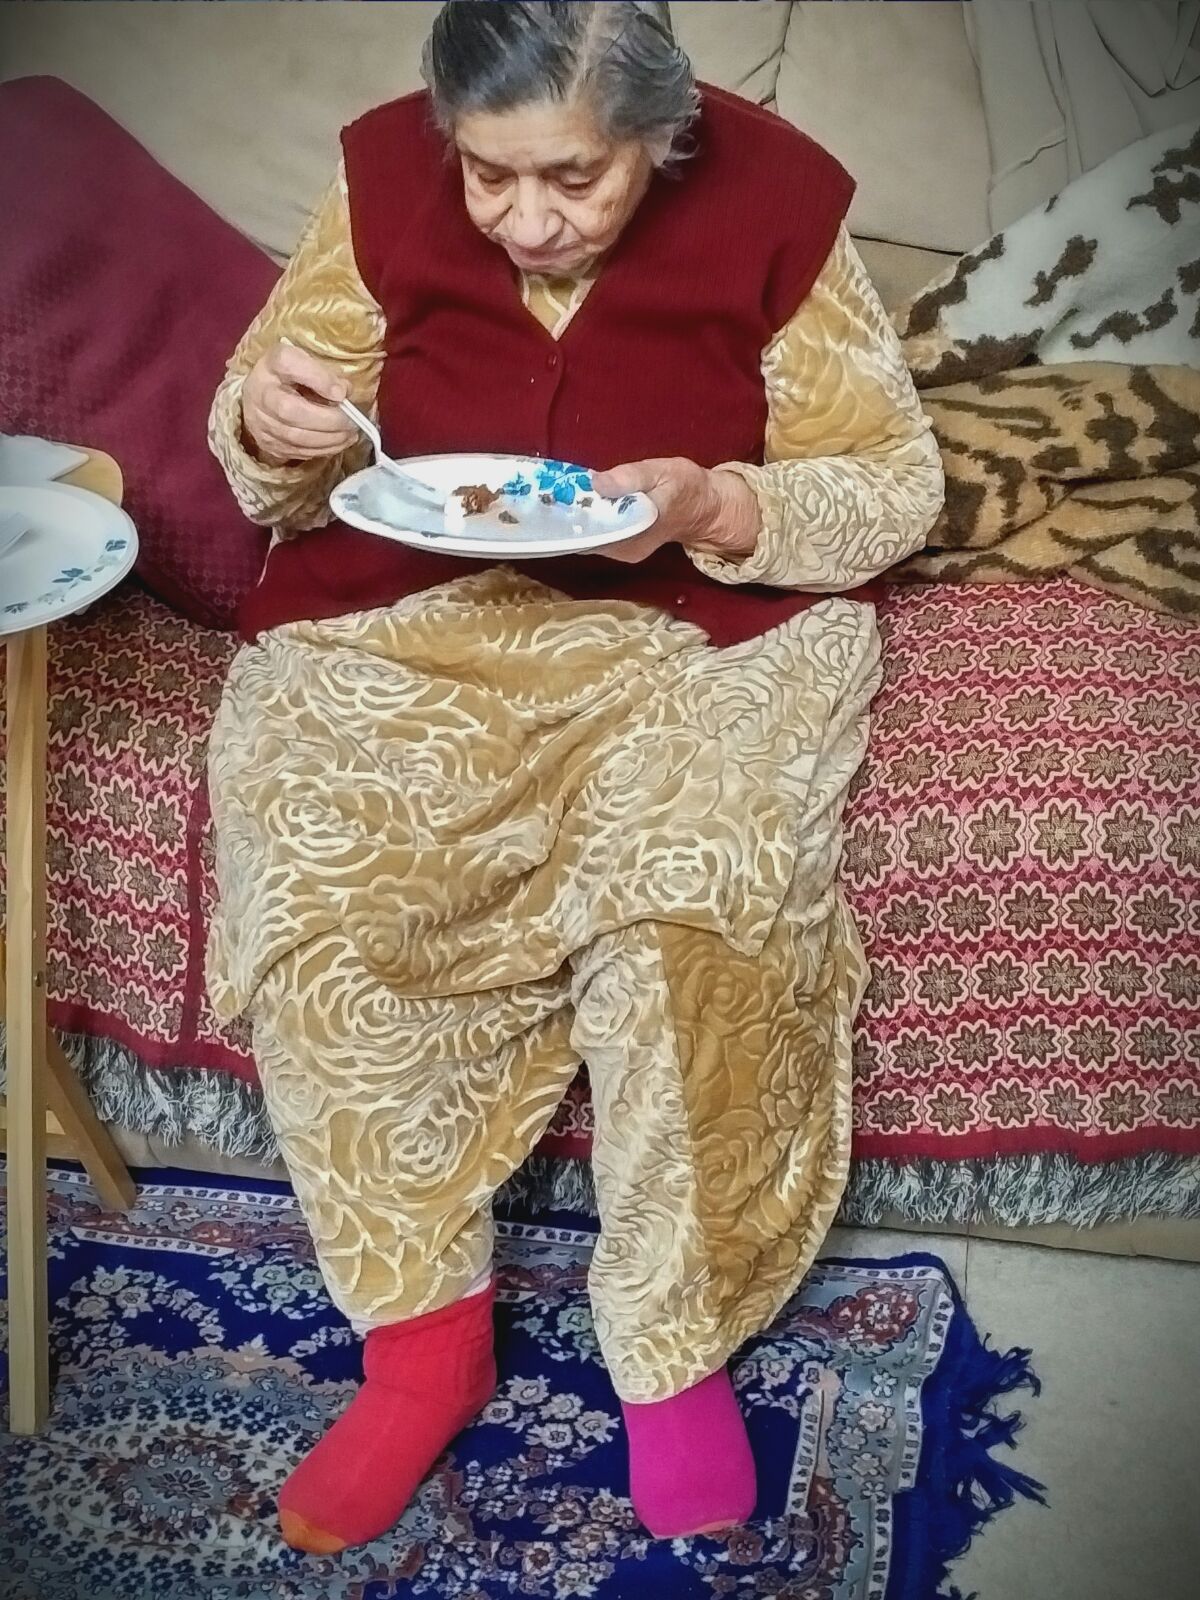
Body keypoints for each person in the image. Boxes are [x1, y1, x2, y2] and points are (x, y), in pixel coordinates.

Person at [207, 0, 943, 1558]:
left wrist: (718, 503)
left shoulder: (780, 199)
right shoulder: (379, 179)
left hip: (694, 630)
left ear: (662, 140)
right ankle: (423, 1348)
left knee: (690, 911)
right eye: (489, 178)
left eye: (574, 179)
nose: (526, 222)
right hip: (415, 612)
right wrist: (268, 421)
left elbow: (892, 484)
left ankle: (671, 1354)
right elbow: (273, 446)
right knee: (317, 878)